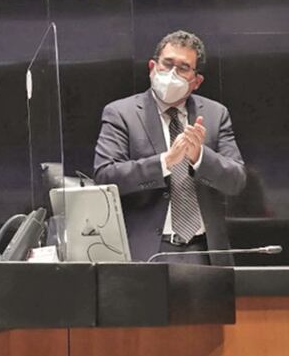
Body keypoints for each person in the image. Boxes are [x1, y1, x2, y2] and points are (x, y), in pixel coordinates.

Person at [93, 30, 246, 265]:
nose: (172, 73)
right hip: (146, 253)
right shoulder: (121, 114)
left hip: (205, 252)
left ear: (196, 81)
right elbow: (105, 176)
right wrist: (165, 162)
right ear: (153, 67)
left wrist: (200, 157)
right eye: (167, 64)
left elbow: (236, 181)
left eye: (184, 68)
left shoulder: (216, 114)